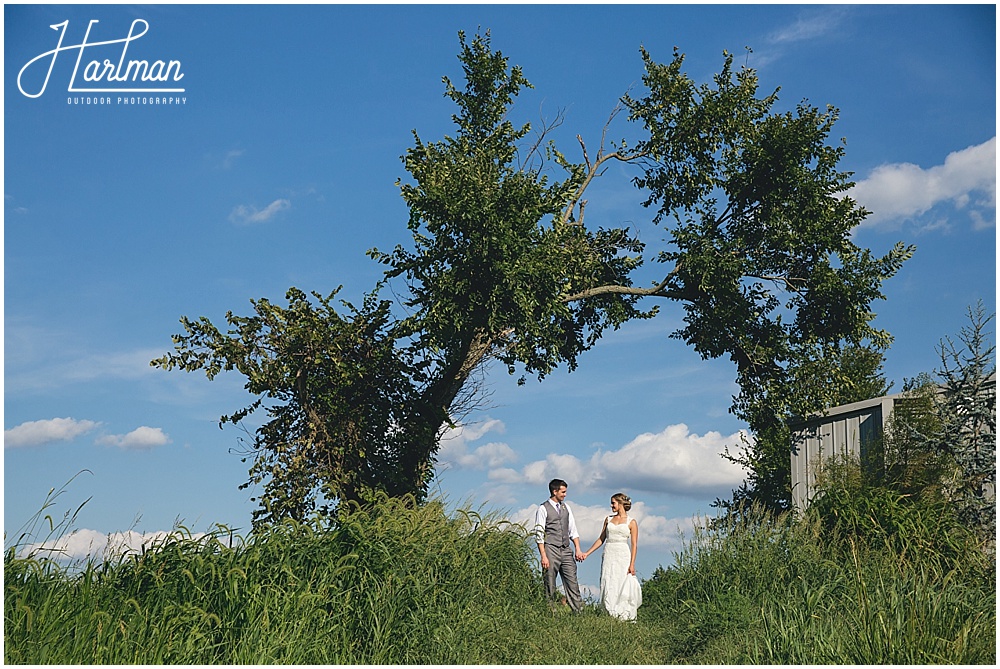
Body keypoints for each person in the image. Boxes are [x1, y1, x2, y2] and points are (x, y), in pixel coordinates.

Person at [582, 492, 641, 621]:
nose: (611, 505)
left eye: (613, 503)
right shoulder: (608, 519)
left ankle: (623, 615)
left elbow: (634, 545)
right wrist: (587, 552)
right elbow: (601, 539)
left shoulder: (632, 522)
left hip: (623, 554)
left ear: (620, 504)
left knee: (621, 582)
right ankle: (609, 613)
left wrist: (632, 564)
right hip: (609, 552)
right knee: (608, 580)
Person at [533, 478, 585, 612]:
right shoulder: (543, 509)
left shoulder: (566, 507)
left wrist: (577, 549)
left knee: (572, 580)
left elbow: (573, 530)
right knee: (549, 582)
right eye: (563, 492)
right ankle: (550, 611)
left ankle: (578, 611)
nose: (565, 494)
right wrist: (543, 556)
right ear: (554, 491)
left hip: (566, 549)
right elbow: (539, 533)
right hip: (550, 548)